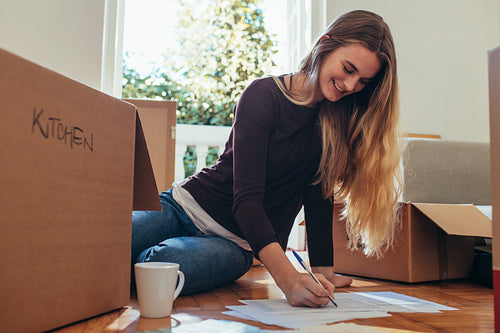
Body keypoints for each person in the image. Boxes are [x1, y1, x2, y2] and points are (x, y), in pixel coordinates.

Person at [131, 9, 402, 308]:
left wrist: (323, 272)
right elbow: (246, 201)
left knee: (163, 261)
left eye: (363, 81)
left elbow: (318, 198)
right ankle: (127, 260)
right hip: (183, 205)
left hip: (236, 245)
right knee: (115, 234)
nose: (351, 86)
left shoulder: (334, 126)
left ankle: (130, 263)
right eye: (348, 69)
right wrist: (287, 279)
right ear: (325, 45)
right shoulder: (263, 95)